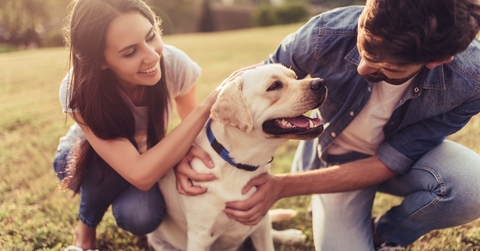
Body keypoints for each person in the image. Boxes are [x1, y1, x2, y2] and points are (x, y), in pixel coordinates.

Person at [175, 0, 480, 250]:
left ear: (438, 60)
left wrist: (281, 186)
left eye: (387, 67)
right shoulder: (325, 33)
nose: (362, 67)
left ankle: (386, 236)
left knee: (472, 186)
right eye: (363, 46)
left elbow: (394, 158)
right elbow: (254, 80)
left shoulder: (471, 80)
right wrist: (188, 147)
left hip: (402, 162)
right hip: (330, 157)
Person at [52, 0, 221, 250]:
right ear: (101, 61)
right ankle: (85, 232)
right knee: (106, 163)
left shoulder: (174, 64)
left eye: (151, 36)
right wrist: (206, 106)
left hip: (142, 159)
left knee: (141, 215)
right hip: (83, 160)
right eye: (130, 52)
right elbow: (140, 174)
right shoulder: (78, 88)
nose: (152, 55)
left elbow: (195, 135)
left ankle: (115, 197)